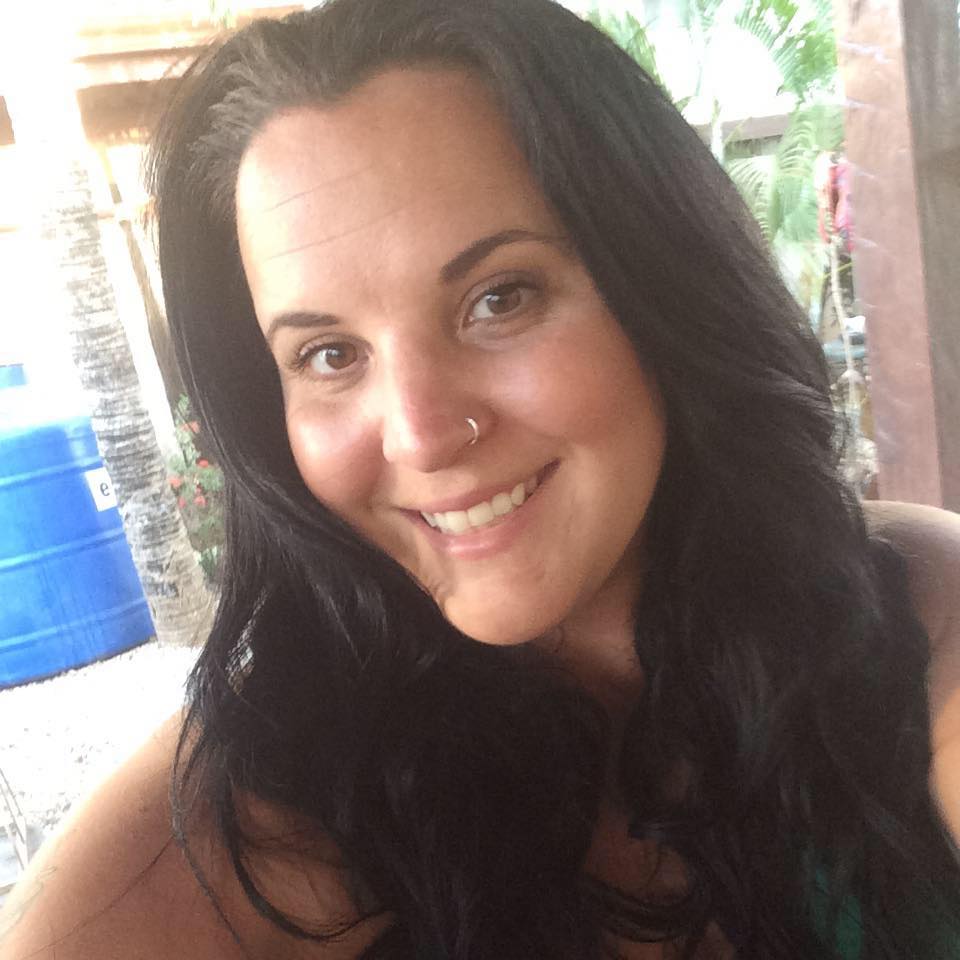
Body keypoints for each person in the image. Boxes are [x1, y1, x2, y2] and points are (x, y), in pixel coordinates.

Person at [2, 1, 960, 957]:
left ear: (661, 282)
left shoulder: (907, 615)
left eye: (498, 299)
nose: (420, 436)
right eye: (330, 355)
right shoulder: (252, 827)